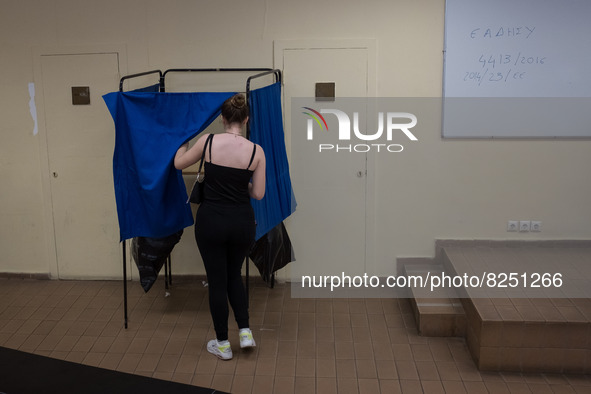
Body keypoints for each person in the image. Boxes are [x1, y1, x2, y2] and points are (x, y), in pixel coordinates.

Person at [174, 93, 266, 360]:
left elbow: (179, 164)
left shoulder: (209, 142)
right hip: (242, 222)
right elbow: (258, 193)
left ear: (222, 118)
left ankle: (223, 344)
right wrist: (241, 183)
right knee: (234, 275)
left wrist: (182, 142)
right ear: (246, 119)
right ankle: (245, 331)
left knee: (217, 281)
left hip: (211, 221)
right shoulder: (256, 151)